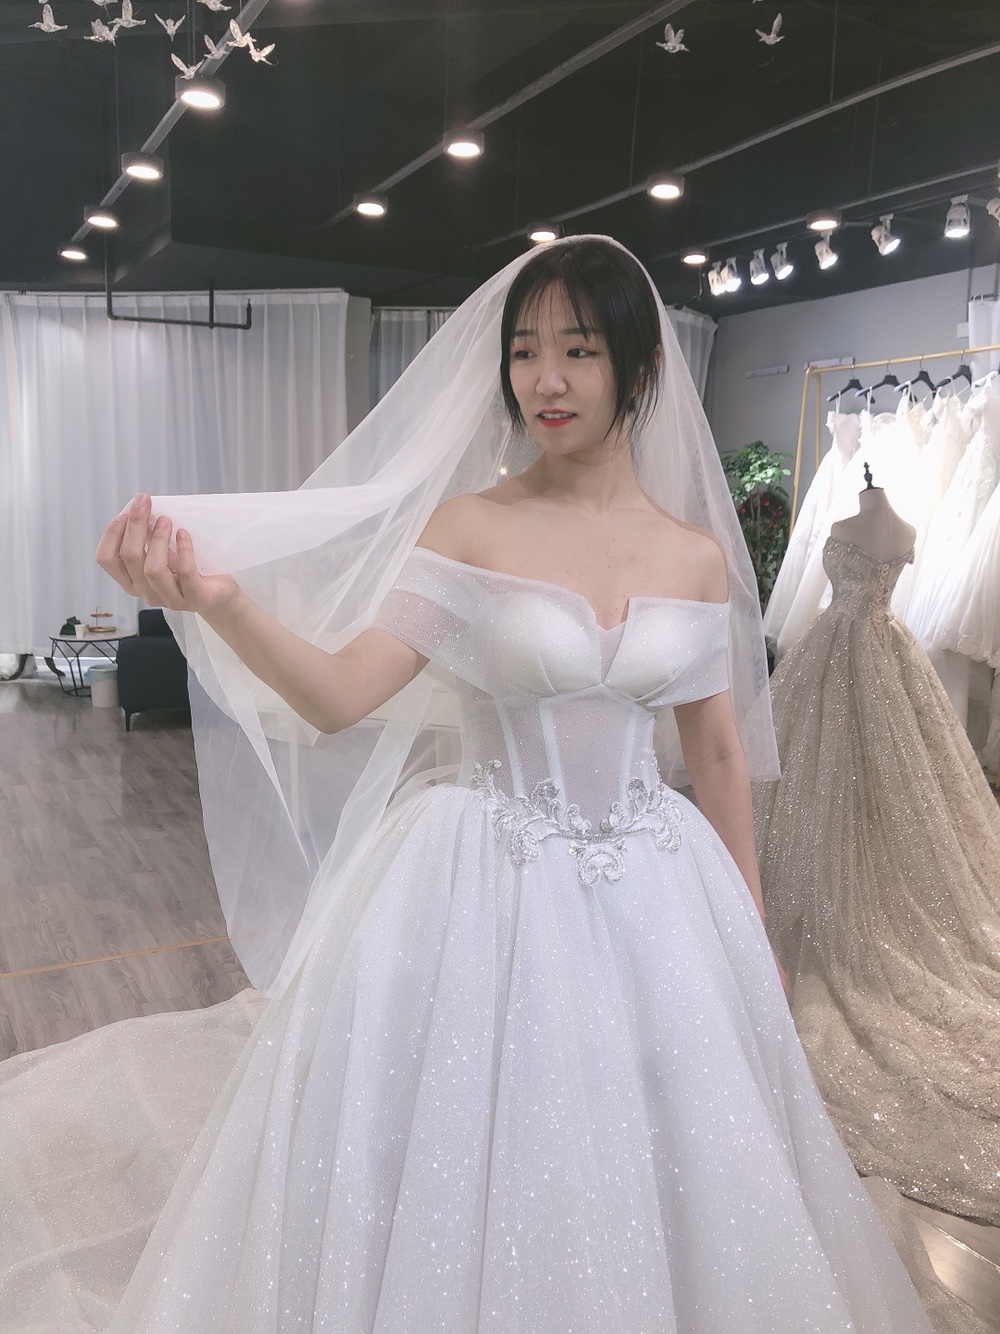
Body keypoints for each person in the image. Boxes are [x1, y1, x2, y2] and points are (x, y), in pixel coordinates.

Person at [22, 237, 933, 1331]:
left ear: (640, 366)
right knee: (478, 1144)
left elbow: (720, 753)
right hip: (483, 888)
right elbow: (339, 695)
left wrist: (750, 929)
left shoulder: (693, 555)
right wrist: (220, 601)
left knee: (663, 1152)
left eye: (578, 350)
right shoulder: (471, 527)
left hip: (658, 892)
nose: (546, 379)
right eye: (525, 350)